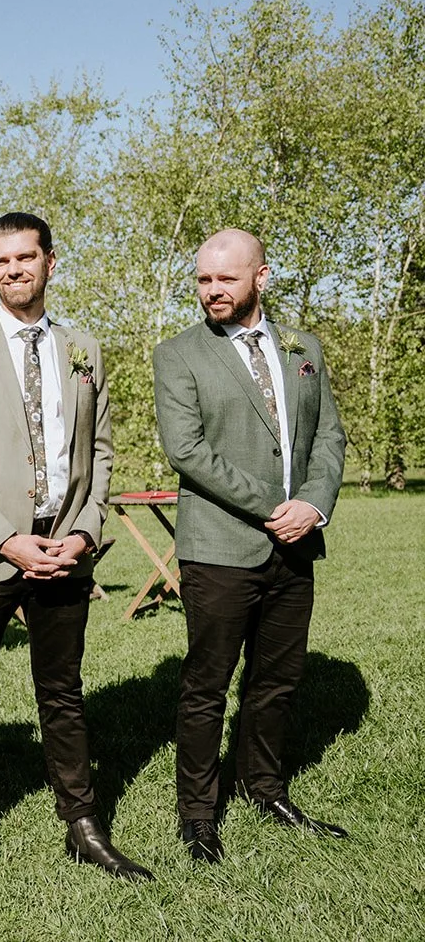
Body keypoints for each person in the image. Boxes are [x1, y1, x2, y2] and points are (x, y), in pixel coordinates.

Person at [0, 212, 151, 886]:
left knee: (63, 691)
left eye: (25, 257)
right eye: (0, 261)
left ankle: (82, 825)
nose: (13, 270)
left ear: (51, 261)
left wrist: (83, 532)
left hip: (65, 549)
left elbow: (99, 452)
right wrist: (9, 540)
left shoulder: (85, 348)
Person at [154, 228, 347, 863]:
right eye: (204, 280)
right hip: (219, 547)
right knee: (207, 684)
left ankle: (265, 789)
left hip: (296, 548)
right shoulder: (180, 355)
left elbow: (327, 439)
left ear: (260, 278)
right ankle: (198, 813)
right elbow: (186, 450)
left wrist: (314, 505)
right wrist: (275, 507)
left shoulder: (304, 348)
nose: (212, 291)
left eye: (225, 279)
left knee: (277, 681)